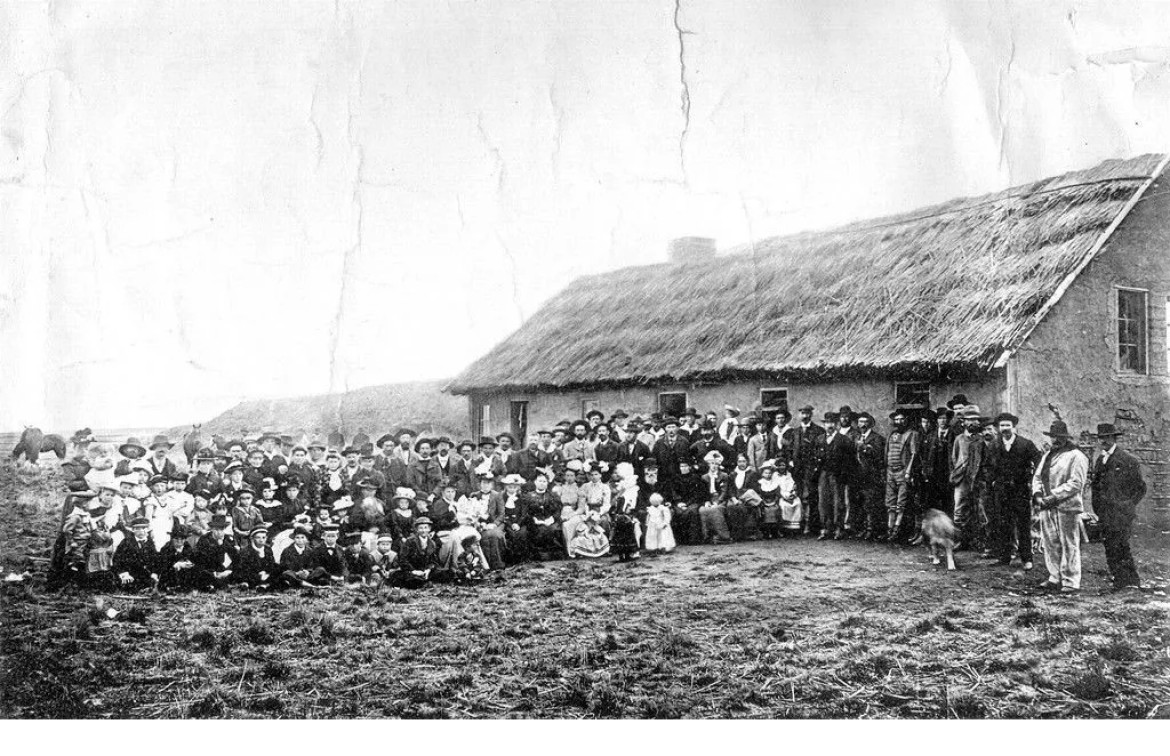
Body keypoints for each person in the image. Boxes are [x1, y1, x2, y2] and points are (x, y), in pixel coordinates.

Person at [1032, 420, 1089, 594]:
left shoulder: (1077, 456)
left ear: (1065, 438)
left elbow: (1076, 483)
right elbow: (1038, 477)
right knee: (1050, 542)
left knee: (1068, 543)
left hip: (1066, 506)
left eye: (1059, 437)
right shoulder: (1048, 455)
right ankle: (1054, 577)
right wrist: (1038, 495)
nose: (1055, 440)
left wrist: (1053, 496)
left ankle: (1070, 580)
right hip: (1046, 506)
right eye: (1053, 437)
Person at [1090, 423, 1146, 592]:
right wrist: (1098, 507)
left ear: (1114, 438)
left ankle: (1130, 582)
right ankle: (1119, 580)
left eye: (1107, 437)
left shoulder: (1127, 460)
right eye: (1101, 438)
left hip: (1121, 514)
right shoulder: (1101, 459)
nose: (1103, 441)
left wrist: (1127, 505)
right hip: (1105, 513)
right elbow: (1096, 486)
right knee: (1110, 547)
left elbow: (1140, 488)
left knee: (1121, 546)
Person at [986, 412, 1042, 569]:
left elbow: (1039, 462)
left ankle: (1027, 559)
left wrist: (1032, 481)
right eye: (1002, 426)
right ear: (998, 428)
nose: (1005, 429)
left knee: (1023, 525)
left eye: (1007, 425)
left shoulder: (1025, 444)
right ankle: (1004, 557)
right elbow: (987, 466)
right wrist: (992, 480)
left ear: (1014, 427)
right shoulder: (994, 445)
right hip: (1002, 491)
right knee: (1003, 523)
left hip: (1020, 490)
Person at [950, 406, 987, 551]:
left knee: (980, 510)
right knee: (959, 510)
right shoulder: (959, 439)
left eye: (975, 420)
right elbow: (954, 458)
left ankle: (980, 542)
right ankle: (960, 541)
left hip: (978, 479)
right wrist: (959, 473)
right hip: (962, 479)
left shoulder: (982, 439)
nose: (972, 423)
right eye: (969, 420)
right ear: (963, 422)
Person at [883, 410, 919, 543]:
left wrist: (908, 471)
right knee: (890, 501)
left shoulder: (912, 434)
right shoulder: (892, 435)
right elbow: (887, 453)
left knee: (901, 502)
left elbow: (914, 454)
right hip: (890, 471)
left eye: (901, 419)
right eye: (896, 419)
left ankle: (897, 529)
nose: (899, 422)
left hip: (902, 471)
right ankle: (889, 528)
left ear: (906, 420)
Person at [819, 411, 855, 540]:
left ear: (836, 424)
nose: (829, 425)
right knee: (823, 501)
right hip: (823, 474)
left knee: (838, 502)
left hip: (837, 474)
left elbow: (850, 459)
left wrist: (844, 474)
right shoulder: (820, 439)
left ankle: (839, 529)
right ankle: (825, 529)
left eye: (832, 423)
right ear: (824, 425)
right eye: (827, 423)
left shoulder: (843, 439)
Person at [792, 405, 825, 535]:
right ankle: (799, 525)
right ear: (799, 415)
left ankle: (811, 525)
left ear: (811, 415)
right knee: (799, 496)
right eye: (802, 413)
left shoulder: (818, 430)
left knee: (812, 497)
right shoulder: (795, 432)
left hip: (811, 469)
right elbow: (790, 449)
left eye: (807, 413)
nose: (805, 416)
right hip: (797, 470)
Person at [854, 412, 886, 540]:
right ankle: (861, 528)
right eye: (860, 422)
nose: (863, 424)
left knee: (870, 503)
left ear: (870, 423)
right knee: (859, 502)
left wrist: (866, 448)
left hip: (871, 476)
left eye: (865, 422)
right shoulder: (855, 437)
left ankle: (871, 529)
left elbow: (879, 457)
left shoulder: (877, 438)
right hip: (857, 476)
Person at [389, 517, 442, 588]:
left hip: (424, 571)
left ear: (429, 529)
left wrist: (428, 570)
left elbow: (433, 561)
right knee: (403, 577)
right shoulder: (409, 541)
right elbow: (403, 559)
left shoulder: (432, 543)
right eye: (421, 528)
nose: (423, 530)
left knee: (443, 573)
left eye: (426, 528)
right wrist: (414, 571)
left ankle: (424, 580)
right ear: (417, 529)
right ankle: (422, 582)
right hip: (411, 570)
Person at [524, 471, 563, 559]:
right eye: (540, 481)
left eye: (544, 481)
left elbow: (558, 510)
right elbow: (526, 512)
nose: (542, 483)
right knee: (539, 529)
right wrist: (534, 519)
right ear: (535, 482)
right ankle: (539, 553)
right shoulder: (528, 496)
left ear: (547, 483)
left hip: (550, 520)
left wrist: (552, 519)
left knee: (552, 529)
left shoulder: (553, 495)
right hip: (534, 521)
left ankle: (551, 553)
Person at [113, 517, 159, 590]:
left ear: (147, 529)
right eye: (137, 528)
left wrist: (154, 573)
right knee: (129, 585)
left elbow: (155, 560)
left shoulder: (150, 543)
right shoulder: (126, 542)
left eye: (143, 528)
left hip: (145, 574)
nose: (141, 531)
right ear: (133, 530)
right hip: (130, 574)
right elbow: (117, 559)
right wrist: (124, 573)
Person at [194, 514, 237, 590]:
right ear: (212, 529)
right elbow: (201, 557)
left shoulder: (229, 539)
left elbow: (233, 557)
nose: (219, 532)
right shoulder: (204, 539)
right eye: (216, 529)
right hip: (210, 569)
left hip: (225, 570)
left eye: (221, 529)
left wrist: (227, 570)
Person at [725, 453, 761, 541]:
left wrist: (742, 498)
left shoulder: (752, 474)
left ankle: (744, 534)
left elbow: (754, 489)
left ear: (747, 462)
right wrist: (734, 498)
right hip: (734, 498)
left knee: (742, 508)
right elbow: (730, 489)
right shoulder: (732, 474)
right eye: (739, 461)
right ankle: (735, 534)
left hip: (748, 498)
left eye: (744, 461)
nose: (741, 463)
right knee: (731, 506)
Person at [699, 450, 732, 543]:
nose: (714, 466)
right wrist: (706, 502)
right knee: (702, 510)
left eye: (716, 464)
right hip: (709, 499)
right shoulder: (704, 477)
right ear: (708, 464)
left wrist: (717, 502)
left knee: (715, 509)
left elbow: (724, 491)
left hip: (720, 500)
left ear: (718, 465)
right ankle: (707, 536)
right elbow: (703, 492)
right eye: (712, 463)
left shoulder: (724, 475)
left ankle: (723, 536)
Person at [156, 523, 198, 591]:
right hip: (170, 576)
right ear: (172, 538)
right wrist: (176, 565)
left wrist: (188, 563)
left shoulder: (187, 547)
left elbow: (193, 559)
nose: (179, 541)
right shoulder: (166, 548)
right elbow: (162, 565)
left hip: (184, 576)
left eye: (182, 539)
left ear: (185, 539)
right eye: (176, 539)